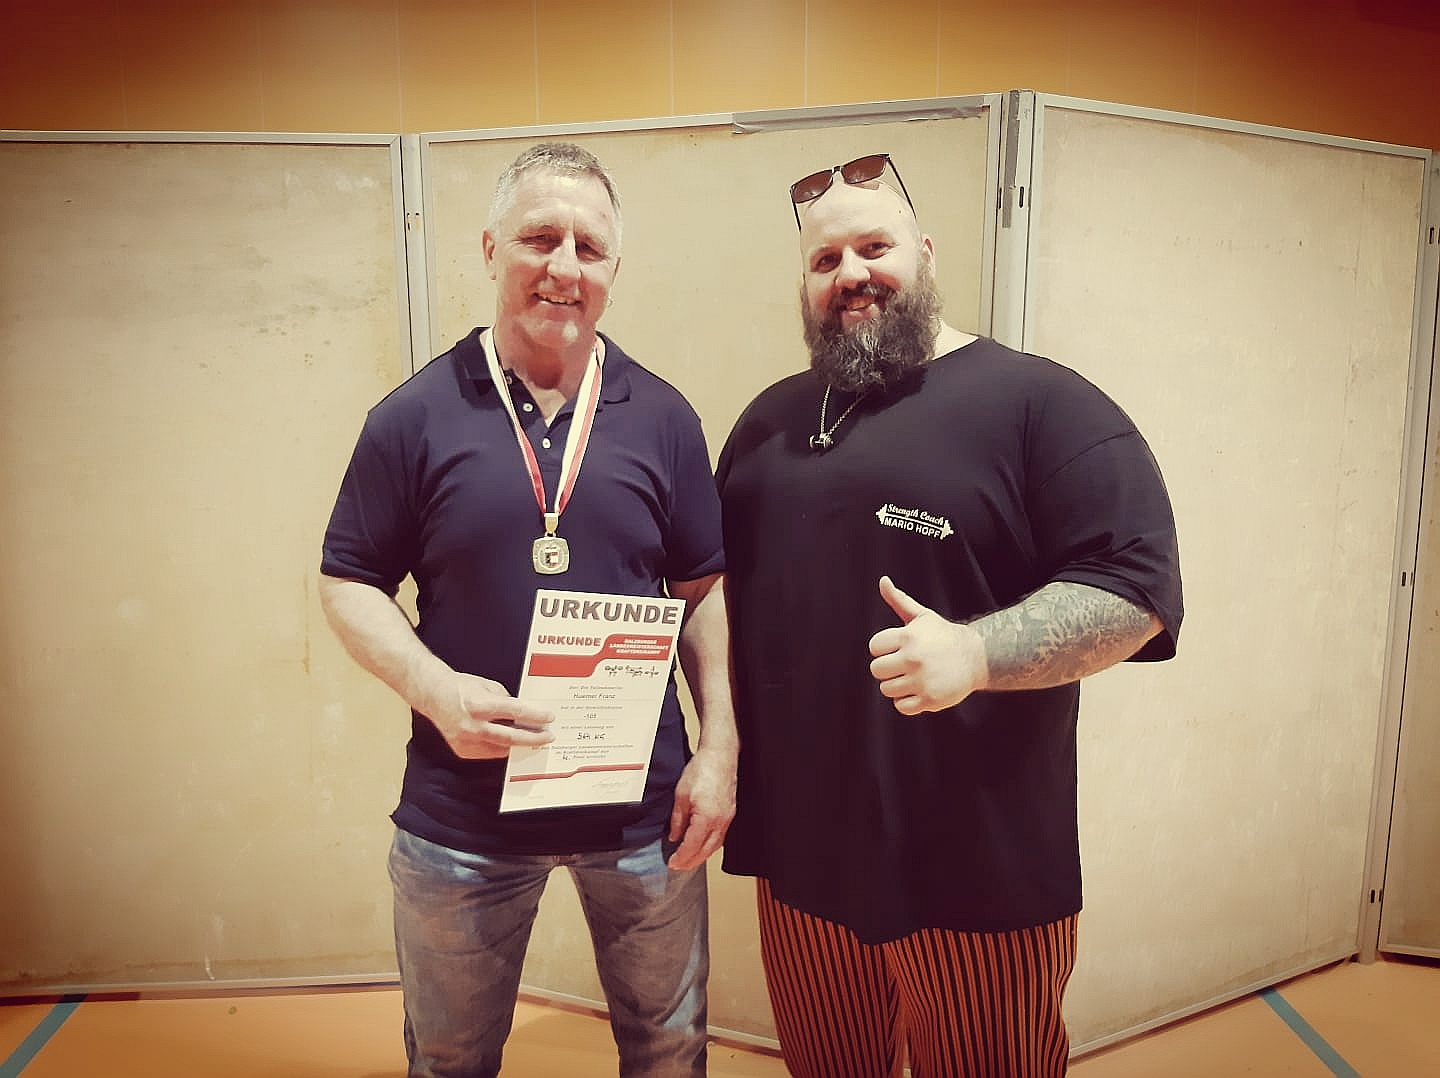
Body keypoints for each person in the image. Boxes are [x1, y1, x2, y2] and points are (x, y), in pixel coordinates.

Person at [716, 153, 1183, 1078]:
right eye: (825, 260)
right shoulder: (767, 423)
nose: (851, 273)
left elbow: (1135, 589)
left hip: (976, 870)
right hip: (801, 858)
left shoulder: (1040, 404)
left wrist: (977, 652)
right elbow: (712, 597)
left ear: (925, 252)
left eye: (875, 247)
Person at [319, 142, 736, 1078]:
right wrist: (435, 690)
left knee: (670, 1054)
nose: (564, 268)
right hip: (463, 818)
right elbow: (348, 580)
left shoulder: (664, 418)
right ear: (489, 249)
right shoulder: (412, 418)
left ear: (614, 269)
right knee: (450, 1061)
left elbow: (703, 590)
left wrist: (720, 751)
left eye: (590, 247)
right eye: (539, 239)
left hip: (643, 815)